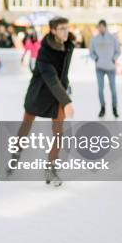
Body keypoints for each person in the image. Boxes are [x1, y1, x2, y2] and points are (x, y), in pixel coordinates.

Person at [13, 17, 75, 186]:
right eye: (61, 28)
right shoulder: (44, 52)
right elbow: (51, 79)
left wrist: (66, 89)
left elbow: (62, 75)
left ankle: (51, 169)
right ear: (53, 31)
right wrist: (67, 101)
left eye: (66, 28)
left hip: (57, 96)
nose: (65, 31)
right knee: (26, 126)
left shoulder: (68, 45)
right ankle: (16, 152)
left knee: (58, 133)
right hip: (39, 94)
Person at [89, 19, 121, 118]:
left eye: (102, 27)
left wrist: (113, 59)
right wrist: (96, 59)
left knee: (113, 89)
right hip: (99, 68)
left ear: (105, 27)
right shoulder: (94, 39)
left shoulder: (112, 38)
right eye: (99, 27)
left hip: (111, 68)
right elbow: (91, 52)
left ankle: (114, 108)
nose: (100, 29)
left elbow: (118, 51)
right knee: (100, 89)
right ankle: (102, 108)